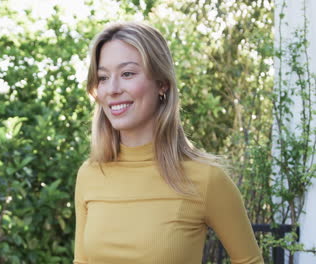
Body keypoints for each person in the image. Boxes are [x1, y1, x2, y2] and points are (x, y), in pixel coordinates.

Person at [73, 22, 263, 264]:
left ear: (161, 83)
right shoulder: (90, 174)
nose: (113, 89)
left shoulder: (206, 179)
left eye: (128, 74)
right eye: (103, 77)